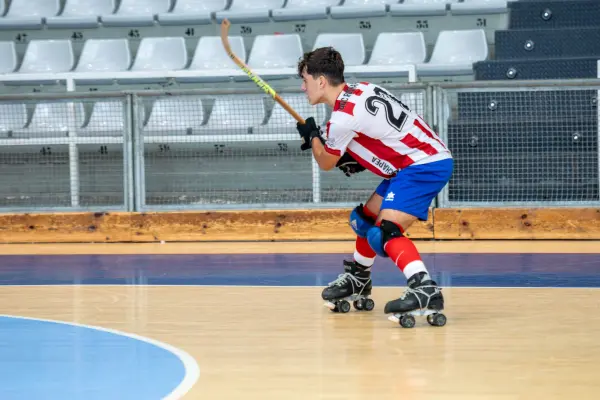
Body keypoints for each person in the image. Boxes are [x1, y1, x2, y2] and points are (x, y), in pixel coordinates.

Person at [295, 47, 453, 326]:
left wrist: (312, 137)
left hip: (421, 165)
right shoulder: (363, 89)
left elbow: (326, 162)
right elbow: (384, 133)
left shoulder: (341, 119)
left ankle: (424, 287)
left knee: (385, 232)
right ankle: (359, 276)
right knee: (364, 220)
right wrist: (358, 157)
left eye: (305, 80)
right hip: (413, 161)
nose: (302, 87)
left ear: (321, 81)